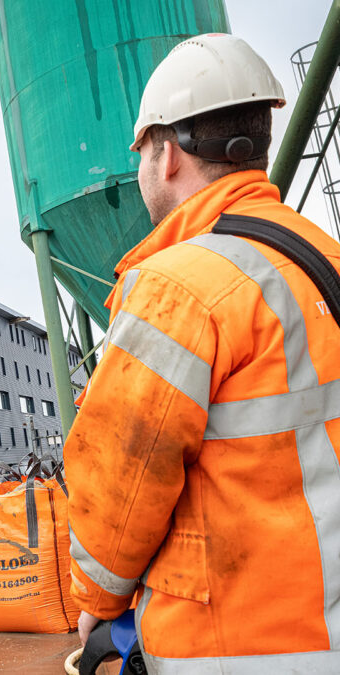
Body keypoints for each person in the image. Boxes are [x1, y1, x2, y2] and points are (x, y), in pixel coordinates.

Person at [66, 33, 340, 671]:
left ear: (166, 156)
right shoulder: (325, 261)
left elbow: (118, 491)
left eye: (140, 153)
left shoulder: (177, 289)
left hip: (240, 649)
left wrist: (94, 604)